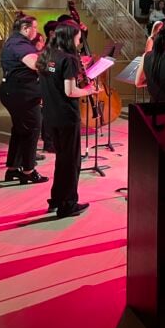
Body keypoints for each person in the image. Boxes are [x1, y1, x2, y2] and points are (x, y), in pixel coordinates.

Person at [37, 20, 98, 218]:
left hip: (50, 116)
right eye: (79, 37)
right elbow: (70, 91)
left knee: (62, 160)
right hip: (66, 116)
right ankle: (68, 204)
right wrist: (88, 89)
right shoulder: (69, 59)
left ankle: (56, 199)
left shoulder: (47, 55)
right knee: (71, 162)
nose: (80, 42)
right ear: (71, 37)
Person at [0, 13, 47, 185]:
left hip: (14, 92)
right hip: (22, 94)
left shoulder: (14, 41)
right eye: (35, 27)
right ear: (25, 29)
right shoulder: (19, 43)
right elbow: (36, 64)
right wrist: (56, 65)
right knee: (32, 129)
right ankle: (28, 171)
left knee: (20, 131)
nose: (36, 30)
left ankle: (12, 169)